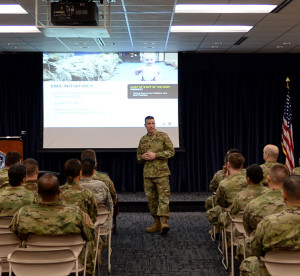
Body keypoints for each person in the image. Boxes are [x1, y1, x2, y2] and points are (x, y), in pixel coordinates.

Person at [10, 173, 95, 276]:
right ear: (59, 191)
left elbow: (15, 235)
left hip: (32, 264)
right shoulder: (77, 214)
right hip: (68, 264)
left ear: (38, 192)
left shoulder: (22, 214)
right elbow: (90, 234)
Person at [240, 175, 300, 276]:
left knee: (247, 265)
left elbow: (255, 250)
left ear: (284, 196)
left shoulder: (268, 222)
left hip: (273, 270)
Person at [137, 115, 175, 235]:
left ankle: (164, 222)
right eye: (149, 123)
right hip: (148, 174)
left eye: (153, 123)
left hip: (161, 173)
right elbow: (138, 157)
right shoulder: (143, 139)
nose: (151, 126)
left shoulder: (163, 136)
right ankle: (156, 223)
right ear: (145, 125)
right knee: (151, 199)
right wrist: (142, 157)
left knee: (163, 197)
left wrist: (156, 155)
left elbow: (171, 151)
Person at [243, 163, 289, 236]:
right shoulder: (294, 203)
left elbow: (248, 231)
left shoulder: (253, 205)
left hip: (263, 244)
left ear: (268, 179)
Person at [206, 152, 246, 225]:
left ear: (228, 165)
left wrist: (227, 178)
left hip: (231, 217)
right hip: (248, 216)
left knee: (211, 213)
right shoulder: (249, 179)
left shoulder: (224, 184)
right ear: (242, 165)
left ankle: (219, 232)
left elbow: (221, 202)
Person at [79, 157, 113, 231]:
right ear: (94, 171)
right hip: (100, 225)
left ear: (80, 171)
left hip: (78, 228)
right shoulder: (101, 186)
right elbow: (110, 206)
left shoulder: (73, 188)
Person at [60, 159, 97, 223]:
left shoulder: (56, 192)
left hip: (60, 230)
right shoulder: (87, 193)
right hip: (80, 230)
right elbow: (92, 218)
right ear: (80, 172)